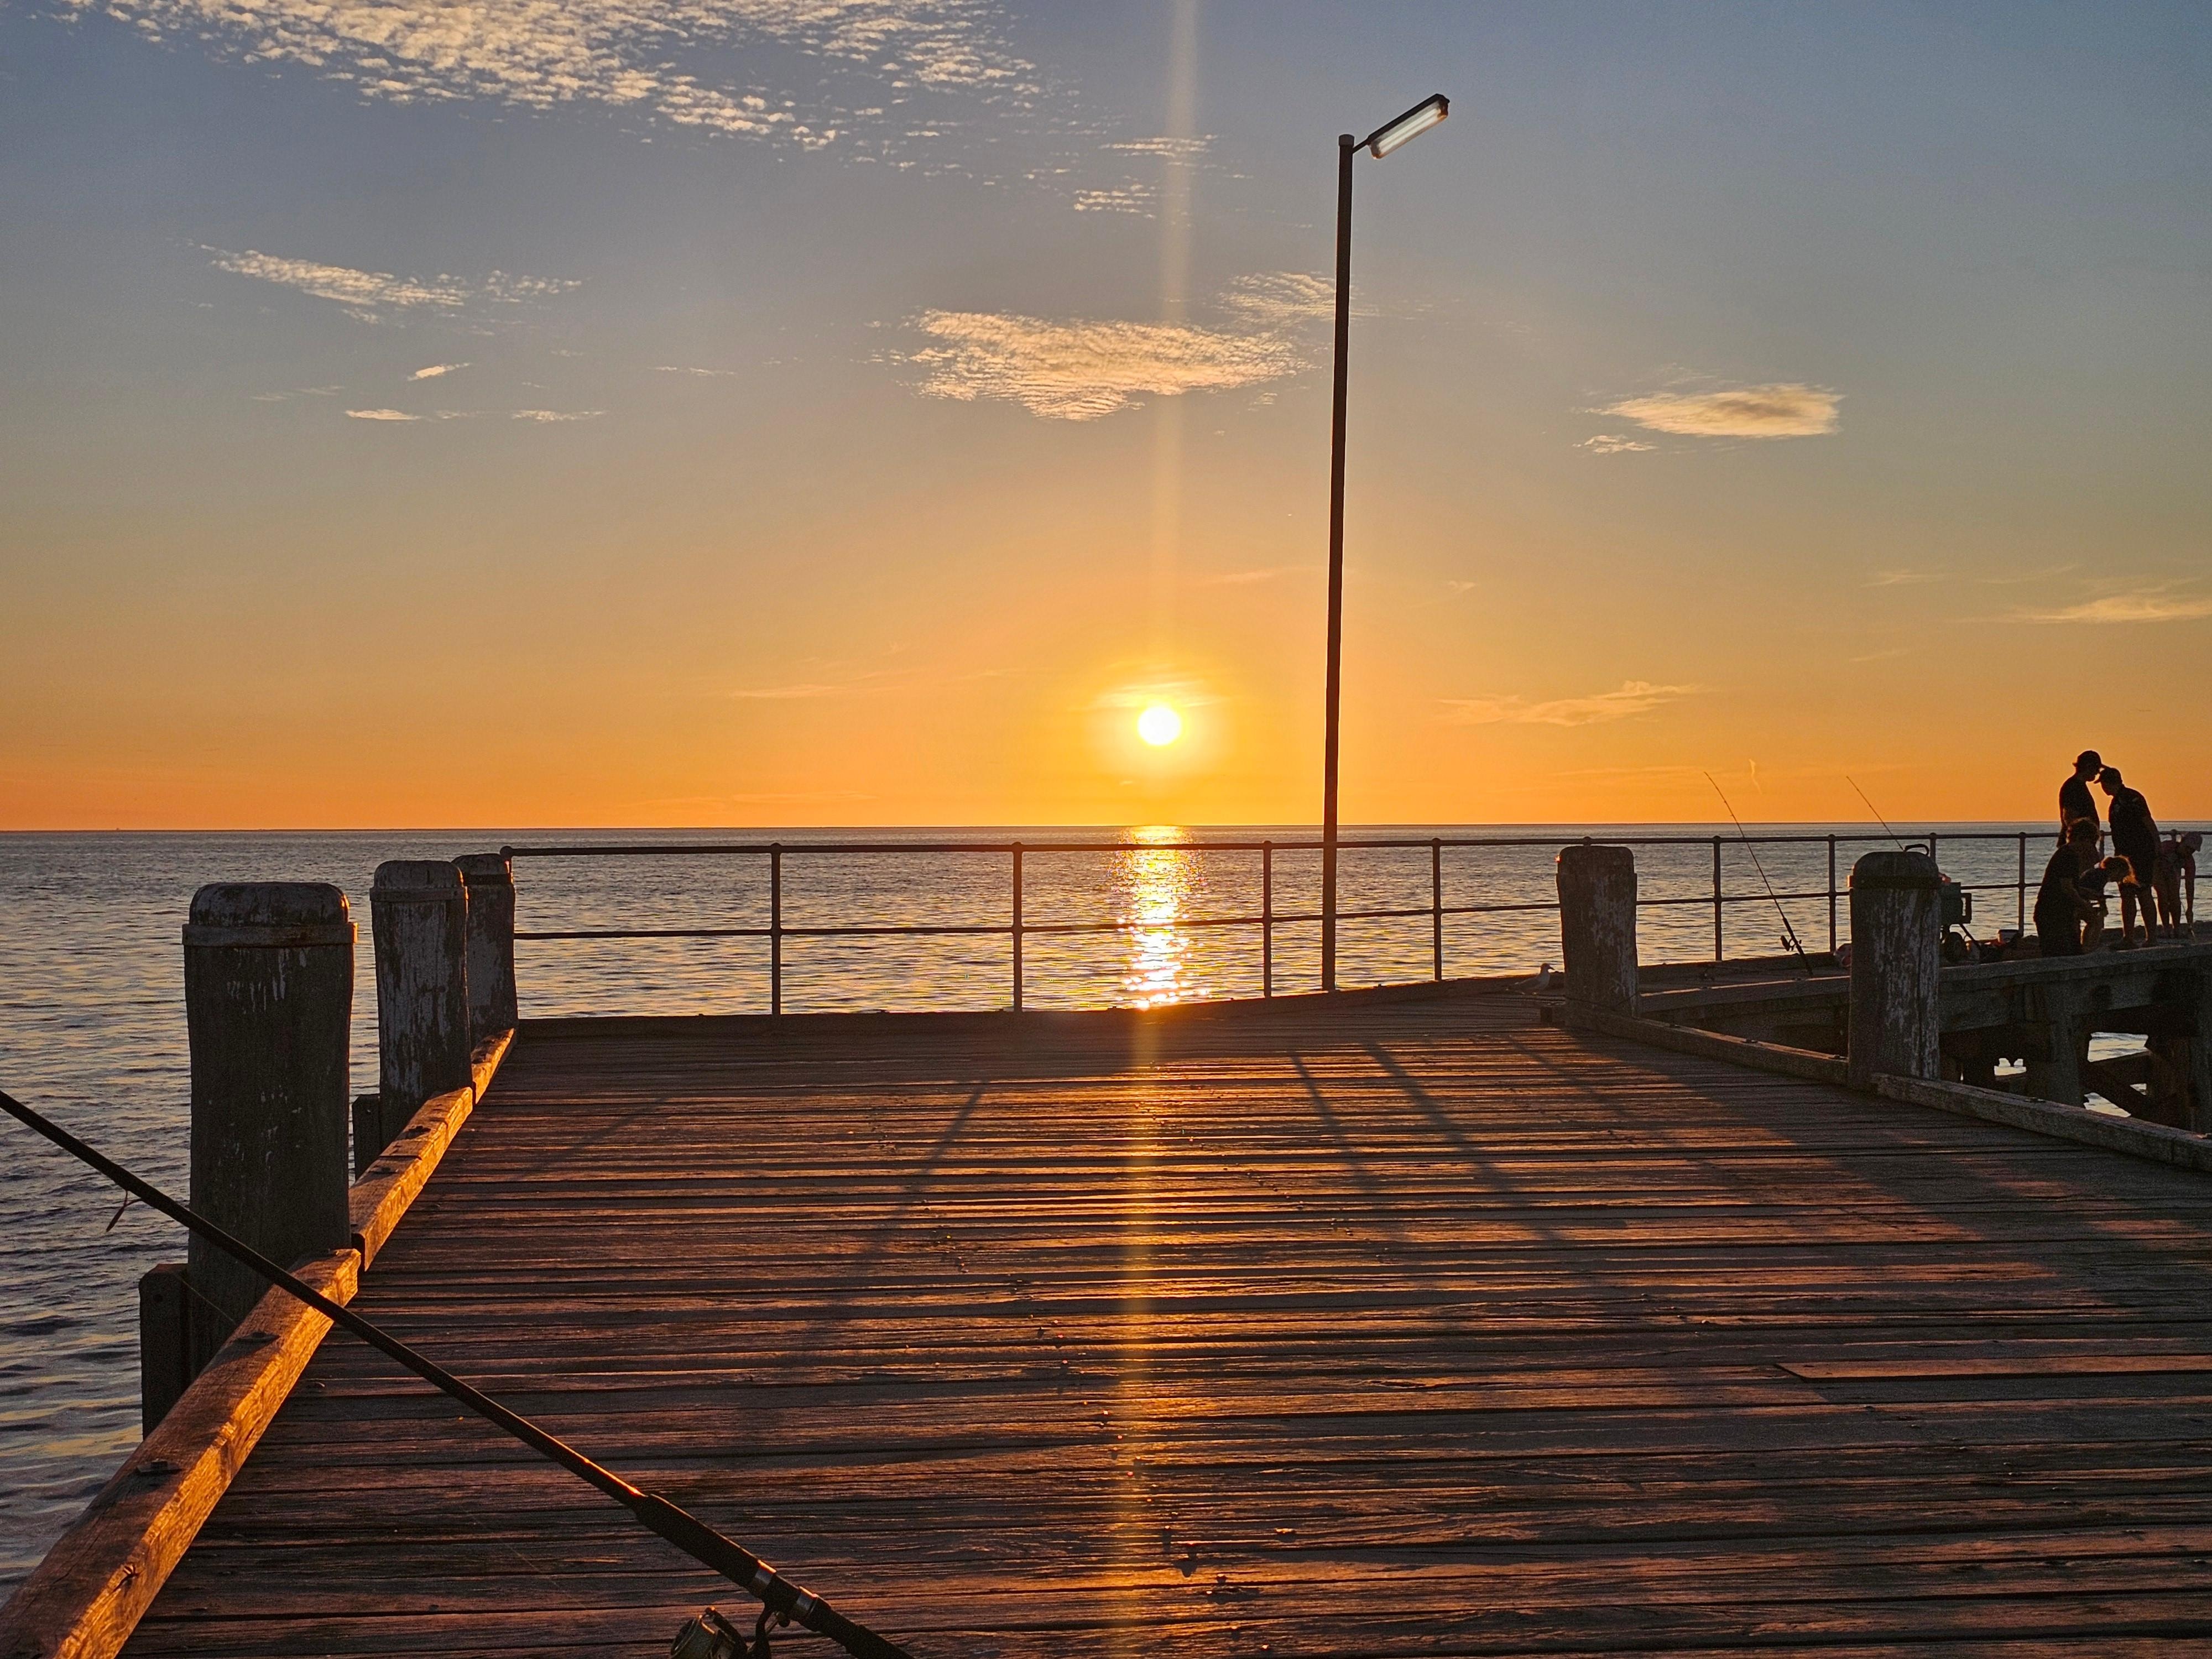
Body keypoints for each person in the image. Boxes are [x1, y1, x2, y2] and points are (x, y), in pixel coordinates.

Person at [2098, 765, 2162, 943]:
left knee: (2142, 892)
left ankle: (2149, 937)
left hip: (2140, 852)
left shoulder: (2131, 798)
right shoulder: (2118, 801)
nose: (2103, 789)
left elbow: (2147, 821)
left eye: (2103, 784)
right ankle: (2130, 937)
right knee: (2128, 894)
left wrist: (2156, 845)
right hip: (2124, 854)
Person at [2033, 820, 2099, 956]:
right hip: (2052, 913)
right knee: (2055, 953)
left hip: (2060, 912)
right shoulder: (2068, 857)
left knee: (2069, 951)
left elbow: (2070, 886)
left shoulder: (2069, 855)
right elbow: (2067, 888)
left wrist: (2089, 893)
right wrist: (2086, 906)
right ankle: (2005, 954)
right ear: (2084, 840)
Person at [2153, 831, 2200, 940]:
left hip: (2173, 874)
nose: (2189, 852)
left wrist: (2190, 908)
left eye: (2192, 850)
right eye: (2188, 848)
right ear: (2182, 842)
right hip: (2157, 869)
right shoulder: (2166, 847)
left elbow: (2190, 885)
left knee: (2175, 897)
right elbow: (2153, 859)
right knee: (2163, 896)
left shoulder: (2189, 861)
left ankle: (2177, 929)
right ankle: (2166, 929)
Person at [2059, 750, 2103, 847]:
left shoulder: (2078, 786)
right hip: (2079, 844)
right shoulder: (2073, 787)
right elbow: (2069, 816)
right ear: (2088, 767)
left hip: (2082, 842)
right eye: (2096, 768)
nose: (2097, 772)